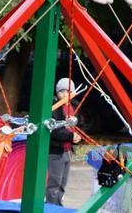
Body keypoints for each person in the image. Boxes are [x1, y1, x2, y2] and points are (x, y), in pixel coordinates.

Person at [46, 78, 81, 206]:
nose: (65, 94)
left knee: (63, 182)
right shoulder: (54, 108)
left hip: (67, 150)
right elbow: (54, 130)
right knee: (54, 182)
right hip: (56, 151)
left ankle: (58, 205)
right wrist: (71, 136)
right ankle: (51, 206)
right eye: (62, 91)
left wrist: (77, 137)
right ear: (57, 92)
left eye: (68, 91)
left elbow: (77, 127)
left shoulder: (74, 107)